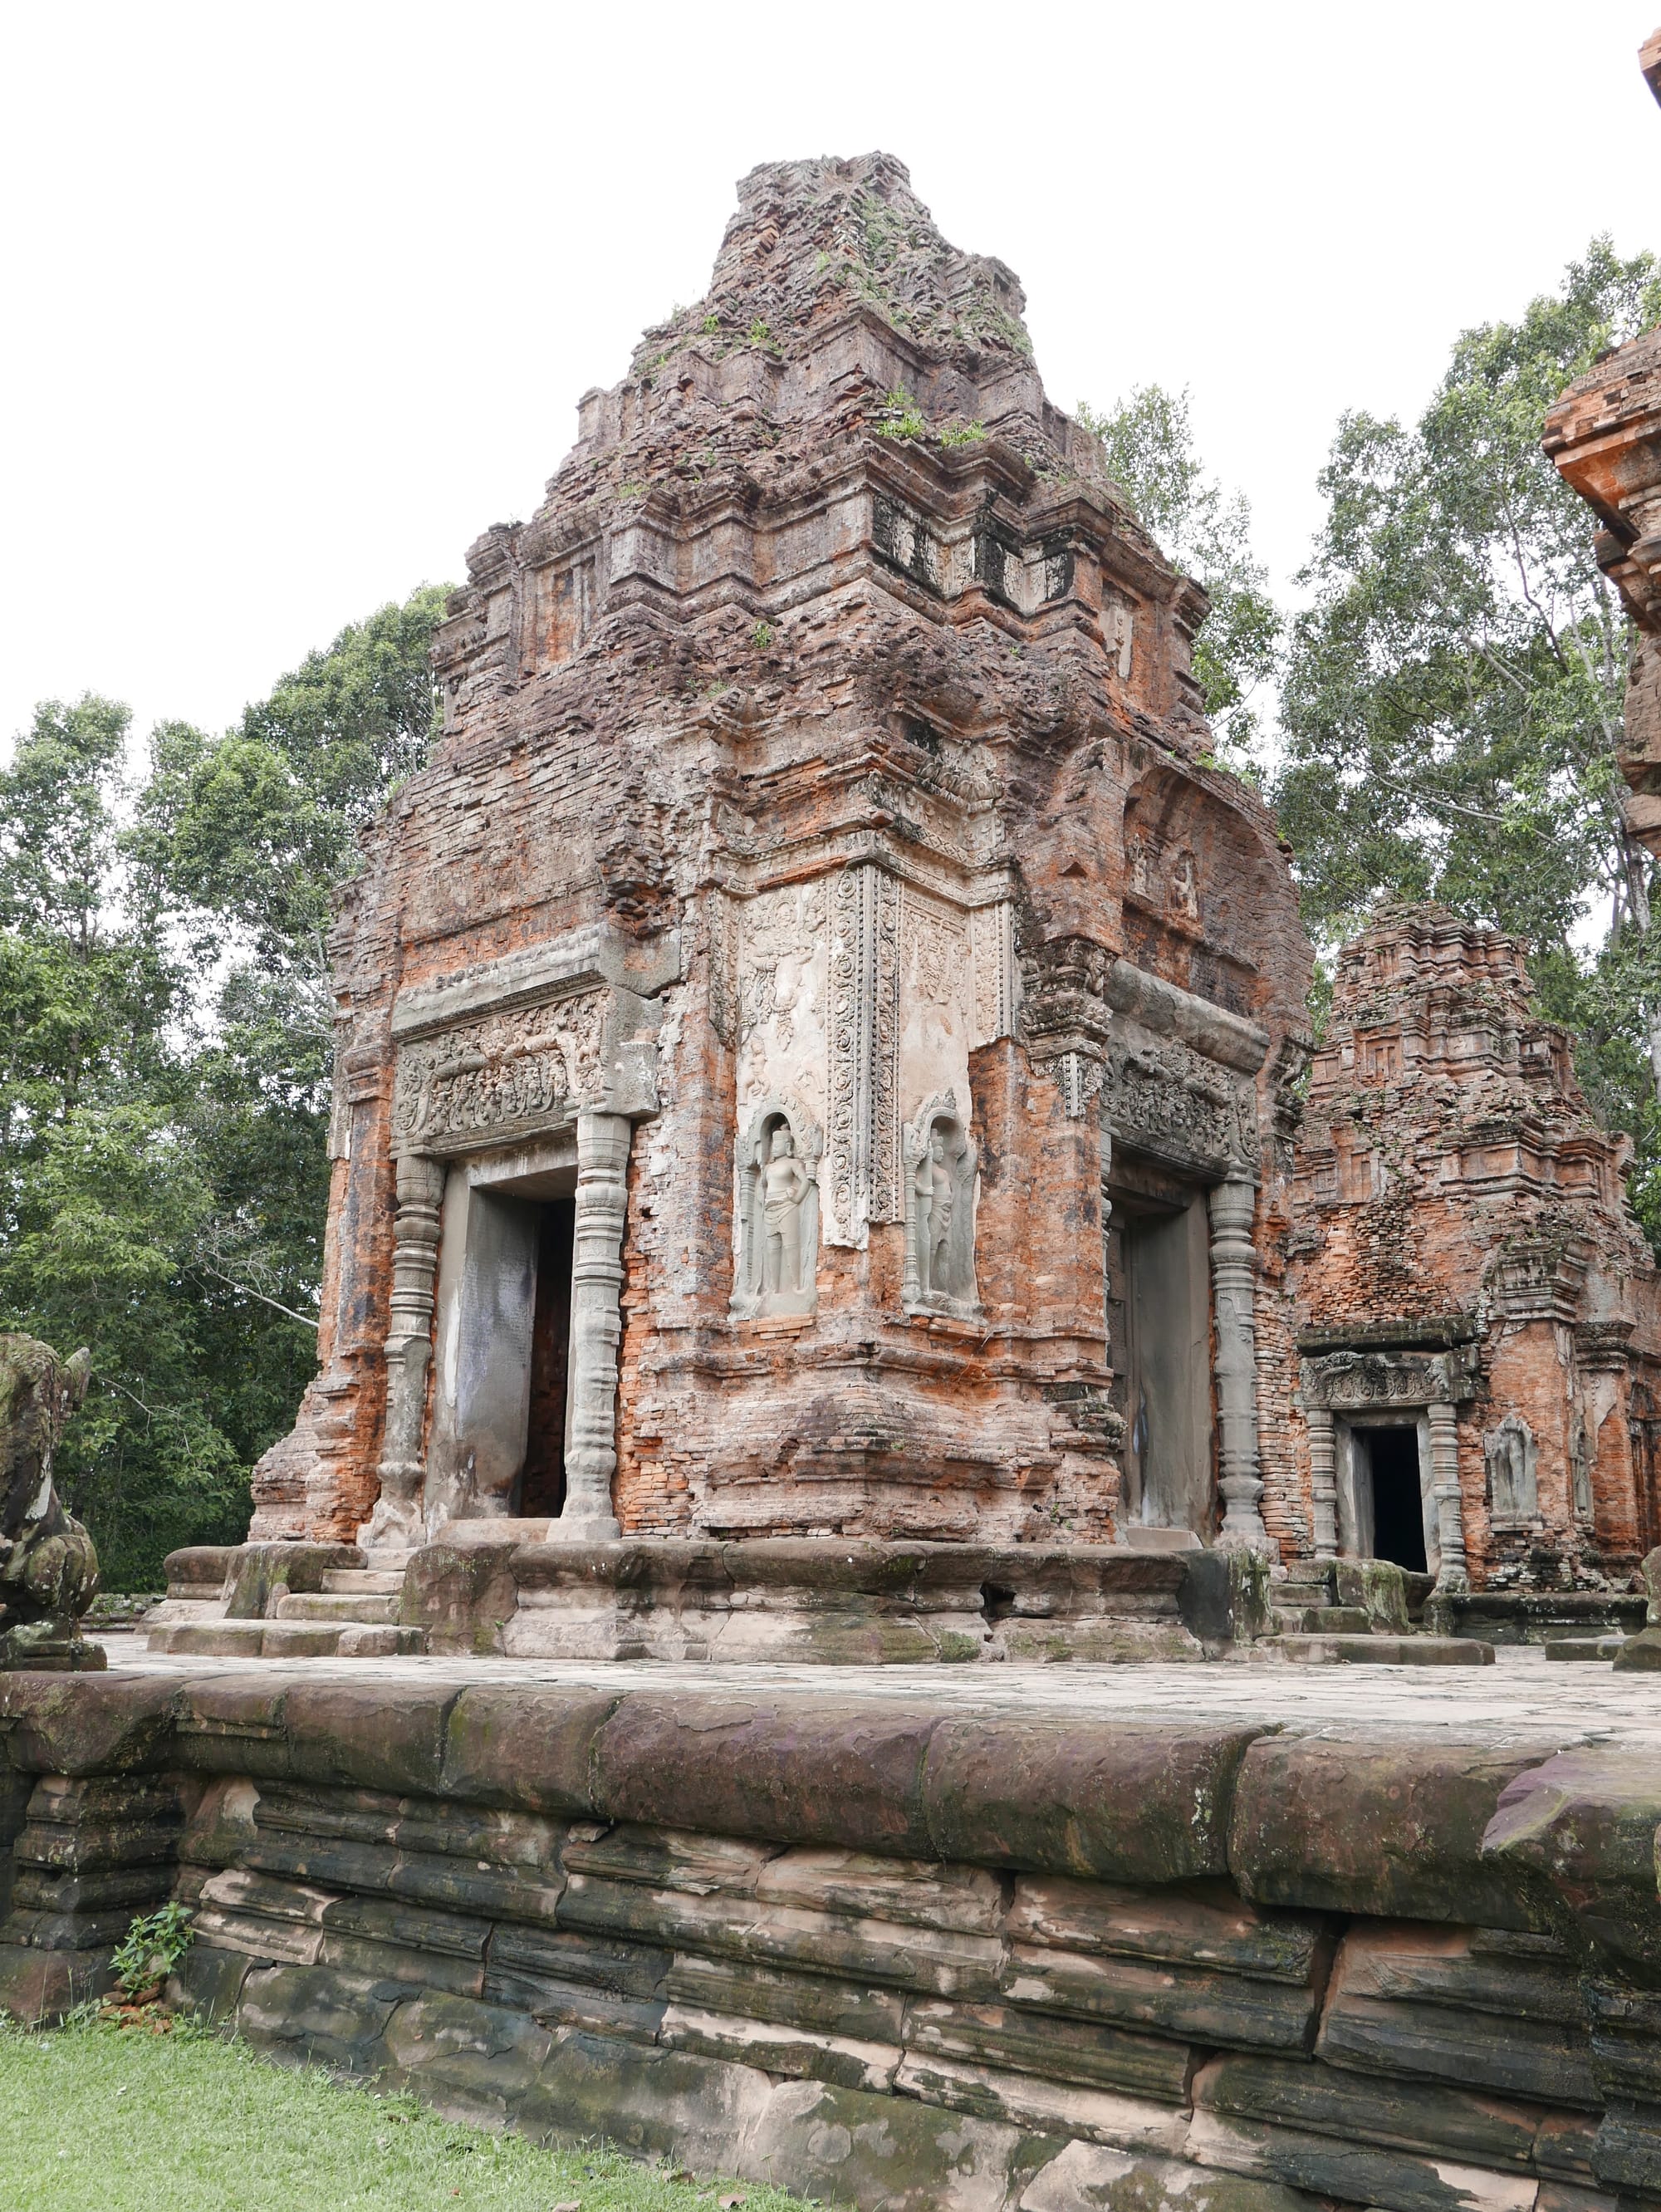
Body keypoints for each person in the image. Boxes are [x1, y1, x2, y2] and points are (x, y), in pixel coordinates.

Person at [760, 1123, 811, 1297]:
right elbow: (762, 1188)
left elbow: (806, 1181)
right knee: (772, 1249)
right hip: (770, 1209)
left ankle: (796, 1285)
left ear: (788, 1146)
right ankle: (774, 1289)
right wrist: (764, 1201)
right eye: (773, 1145)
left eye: (778, 1145)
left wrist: (795, 1198)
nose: (774, 1148)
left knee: (791, 1246)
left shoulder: (793, 1163)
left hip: (787, 1207)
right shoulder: (768, 1168)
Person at [914, 1126, 953, 1297]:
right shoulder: (928, 1168)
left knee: (945, 1249)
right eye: (939, 1151)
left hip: (947, 1211)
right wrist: (923, 1190)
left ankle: (943, 1287)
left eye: (942, 1151)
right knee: (932, 1247)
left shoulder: (944, 1171)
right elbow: (913, 1179)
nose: (942, 1154)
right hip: (935, 1209)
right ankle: (926, 1284)